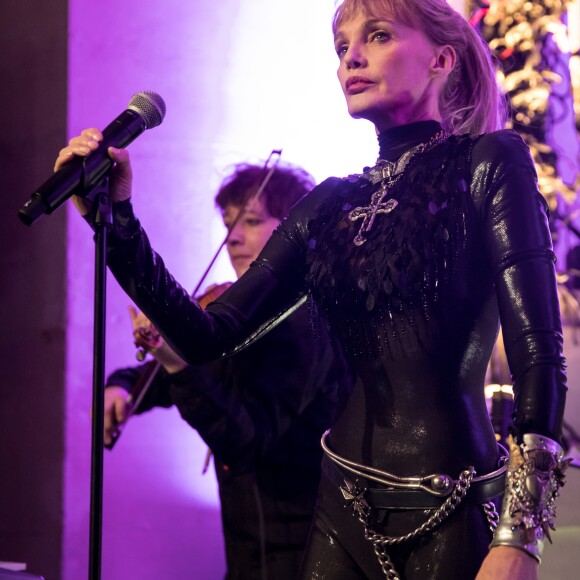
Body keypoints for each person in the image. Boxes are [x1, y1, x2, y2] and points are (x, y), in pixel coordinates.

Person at [55, 0, 569, 578]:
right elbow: (209, 335)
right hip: (341, 503)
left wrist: (520, 535)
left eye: (376, 36)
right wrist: (118, 222)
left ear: (442, 59)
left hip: (451, 499)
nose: (352, 56)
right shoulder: (330, 203)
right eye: (341, 46)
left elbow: (539, 356)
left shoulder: (490, 161)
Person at [102, 162, 347, 579]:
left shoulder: (310, 323)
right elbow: (157, 382)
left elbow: (245, 442)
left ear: (292, 234)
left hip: (305, 557)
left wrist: (177, 363)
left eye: (251, 222)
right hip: (247, 555)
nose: (233, 237)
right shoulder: (233, 315)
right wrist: (120, 387)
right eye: (230, 223)